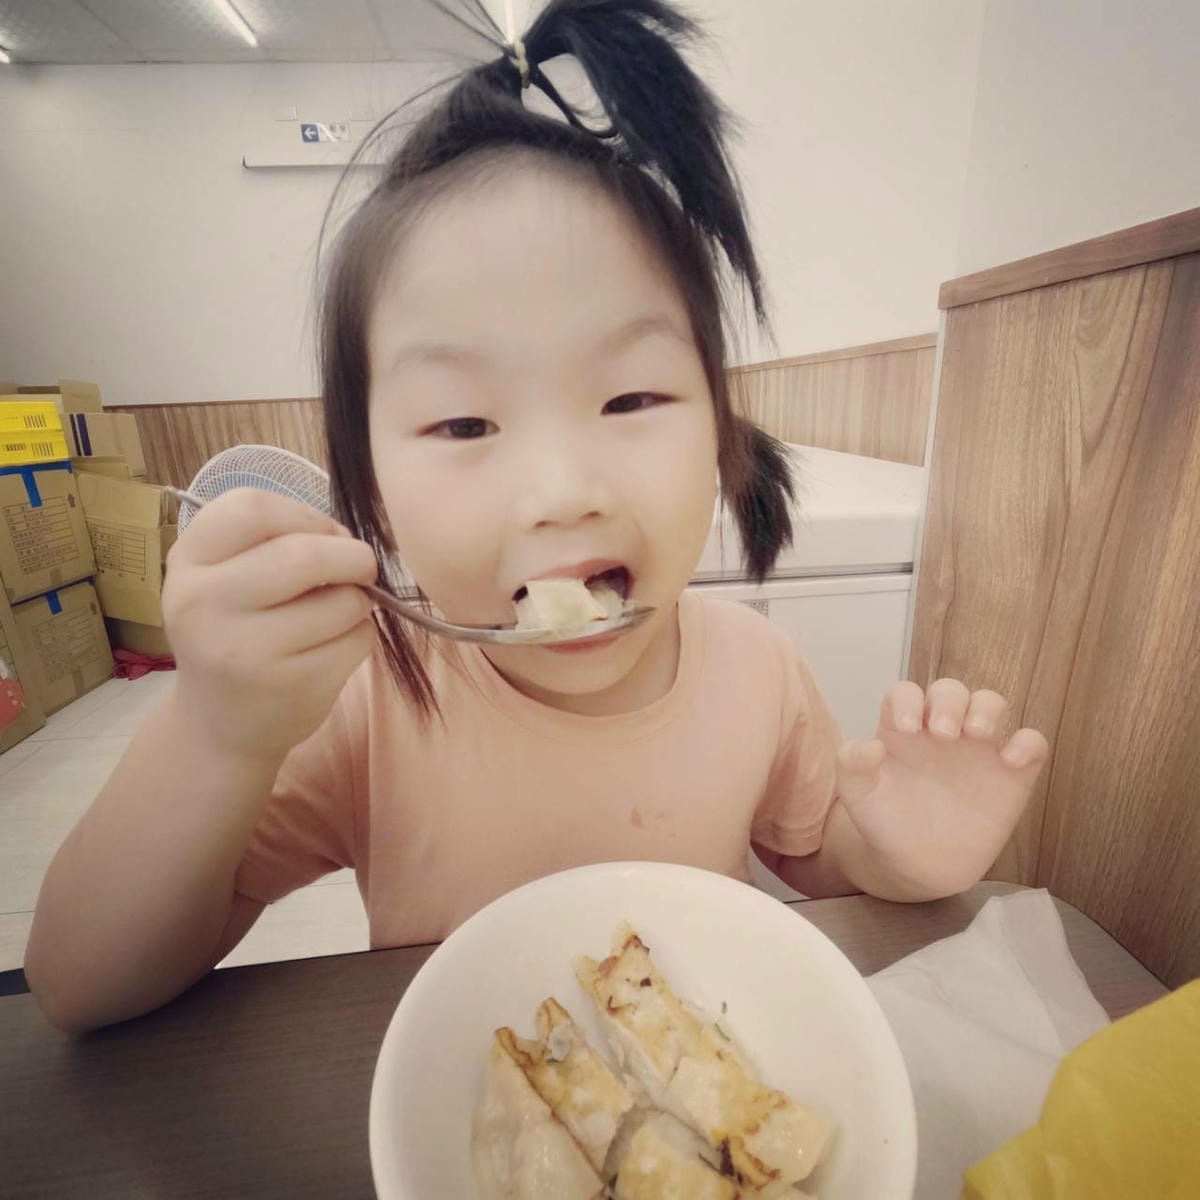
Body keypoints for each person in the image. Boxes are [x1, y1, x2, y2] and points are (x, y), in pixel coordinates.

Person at [25, 0, 1048, 1033]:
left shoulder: (759, 671)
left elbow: (817, 854)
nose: (561, 491)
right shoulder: (366, 704)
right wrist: (217, 733)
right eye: (465, 423)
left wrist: (899, 855)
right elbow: (78, 985)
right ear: (373, 493)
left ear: (719, 431)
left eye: (631, 398)